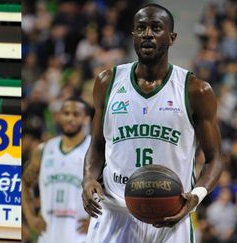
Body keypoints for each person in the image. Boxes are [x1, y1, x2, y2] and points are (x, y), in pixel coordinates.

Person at [82, 3, 222, 243]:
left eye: (156, 28)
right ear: (133, 35)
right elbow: (96, 145)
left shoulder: (196, 90)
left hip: (171, 214)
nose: (148, 33)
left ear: (172, 37)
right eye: (141, 28)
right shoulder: (107, 82)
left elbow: (215, 158)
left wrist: (196, 196)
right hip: (115, 212)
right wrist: (88, 178)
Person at [22, 97, 92, 243]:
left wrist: (99, 218)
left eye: (76, 114)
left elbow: (111, 188)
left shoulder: (94, 150)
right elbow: (24, 182)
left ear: (86, 119)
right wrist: (31, 218)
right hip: (48, 235)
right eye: (66, 113)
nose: (70, 118)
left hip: (82, 236)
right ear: (59, 116)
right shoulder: (44, 149)